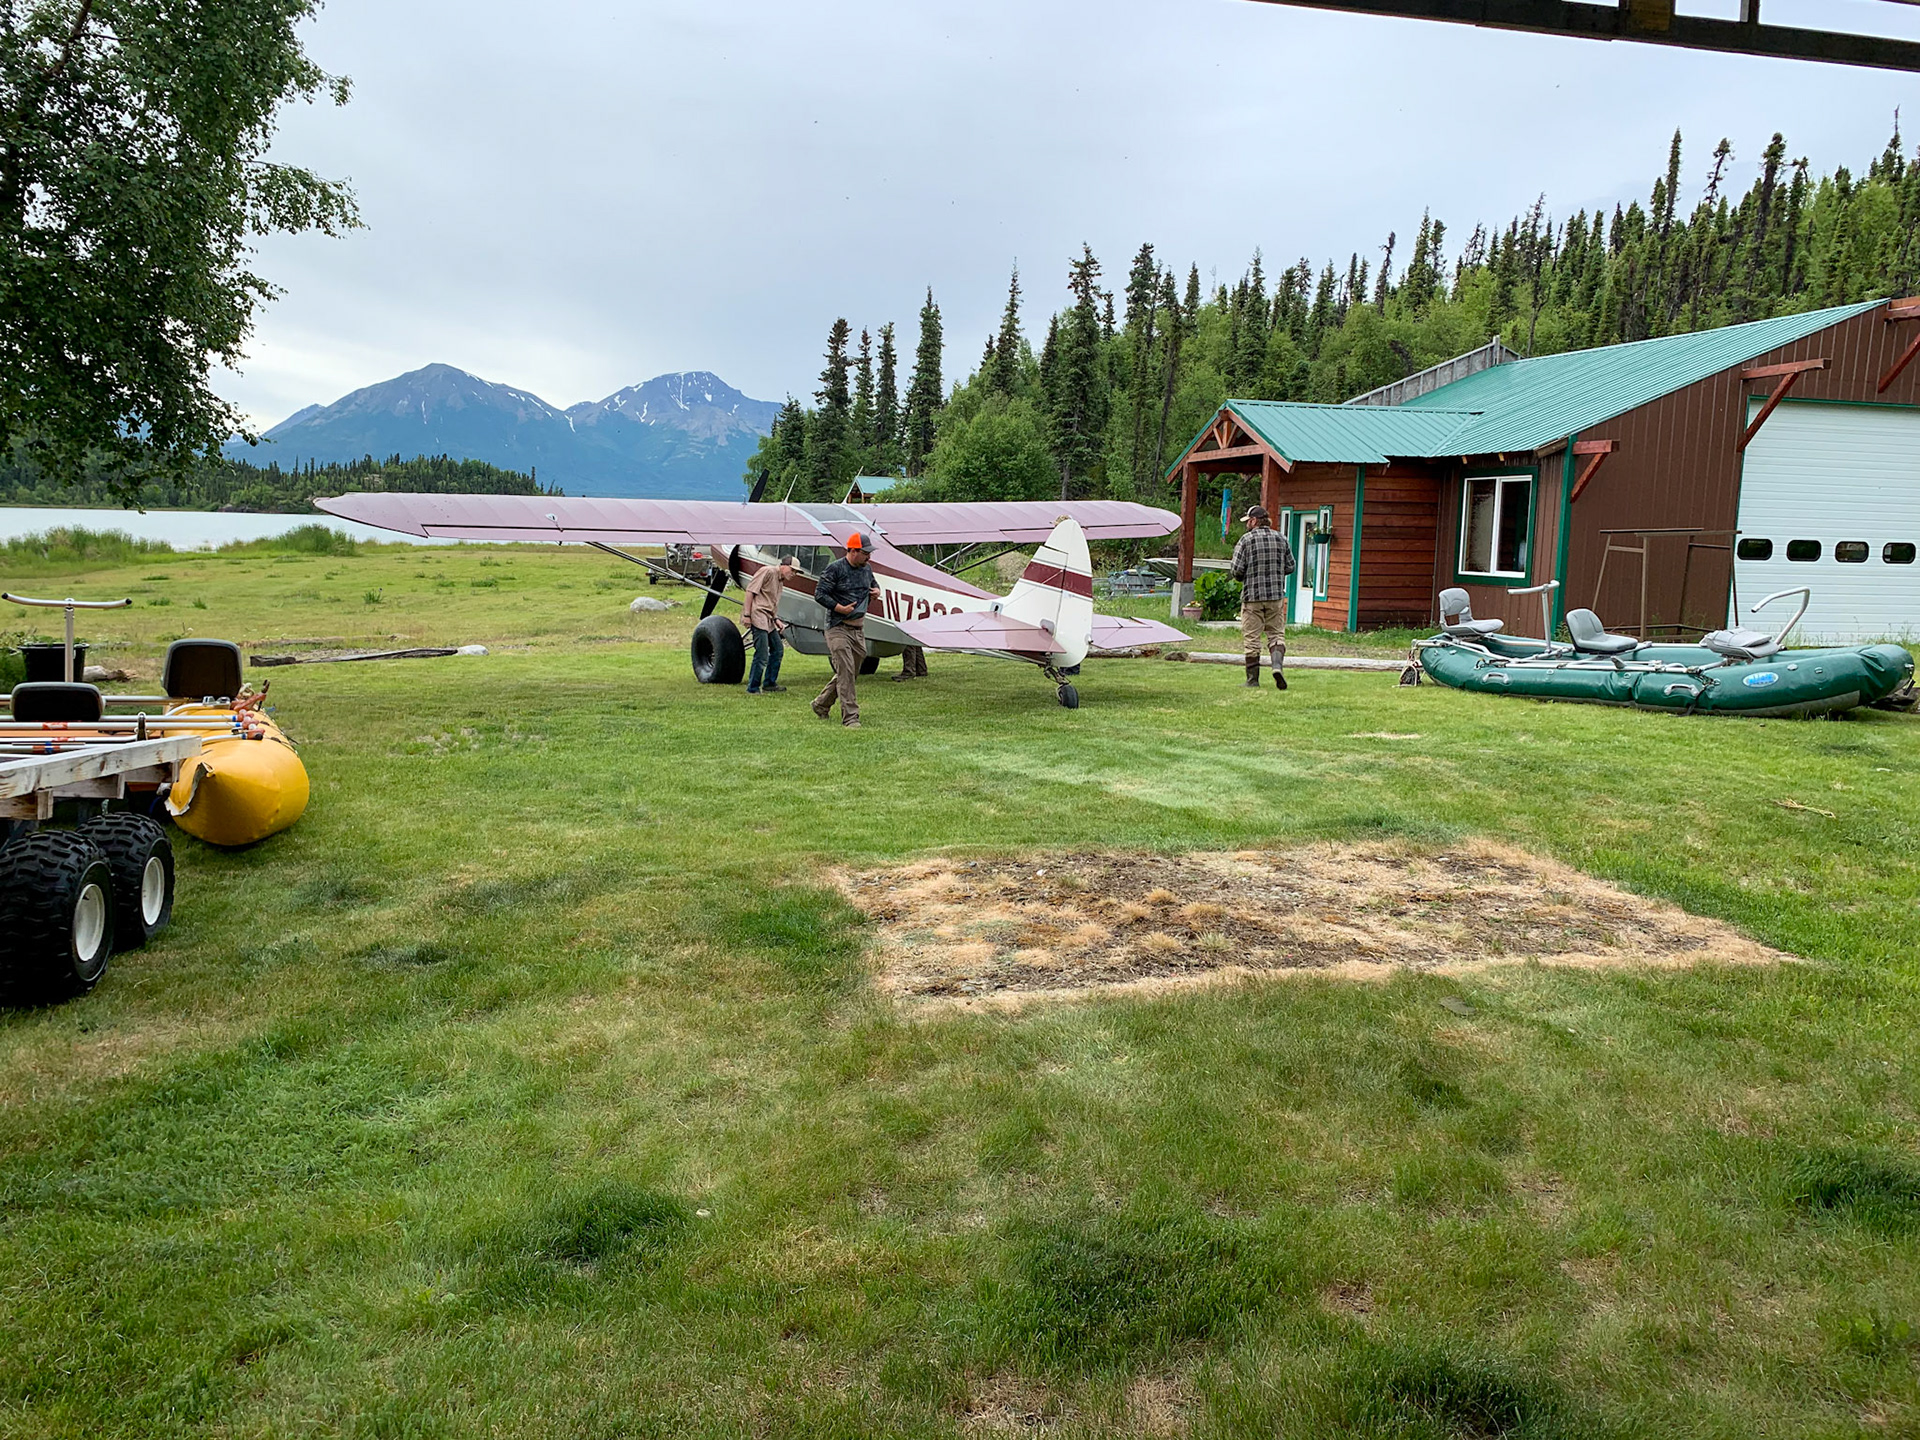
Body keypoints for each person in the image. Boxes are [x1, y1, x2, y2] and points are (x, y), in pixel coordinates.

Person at [810, 530, 878, 727]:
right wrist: (839, 608)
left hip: (858, 629)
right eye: (865, 553)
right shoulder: (835, 569)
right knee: (846, 672)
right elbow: (820, 594)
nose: (869, 557)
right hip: (837, 627)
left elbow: (873, 584)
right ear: (853, 551)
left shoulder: (867, 568)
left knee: (848, 672)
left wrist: (876, 591)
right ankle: (850, 717)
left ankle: (821, 703)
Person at [1230, 503, 1295, 690]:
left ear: (1254, 521)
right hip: (1275, 597)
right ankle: (1276, 667)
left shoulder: (1246, 540)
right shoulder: (1281, 538)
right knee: (1276, 634)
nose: (1246, 524)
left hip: (1252, 597)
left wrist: (1246, 575)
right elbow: (1290, 566)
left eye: (1247, 521)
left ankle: (1252, 680)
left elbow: (1236, 570)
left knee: (1252, 638)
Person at [741, 556, 794, 694]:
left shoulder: (780, 581)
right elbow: (750, 591)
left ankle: (769, 683)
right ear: (784, 565)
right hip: (757, 615)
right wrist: (747, 615)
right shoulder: (768, 571)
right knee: (762, 653)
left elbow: (771, 603)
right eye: (792, 570)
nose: (793, 574)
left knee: (778, 649)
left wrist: (776, 619)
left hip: (768, 619)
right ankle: (752, 688)